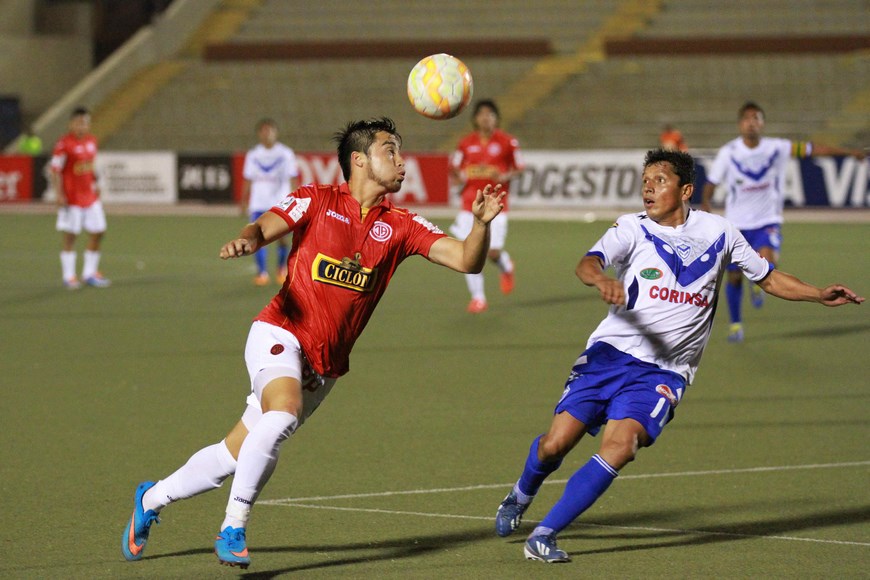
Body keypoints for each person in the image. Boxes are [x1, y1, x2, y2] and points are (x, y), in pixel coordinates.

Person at [120, 117, 506, 569]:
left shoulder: (402, 225)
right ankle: (233, 526)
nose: (402, 162)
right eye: (391, 151)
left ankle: (151, 499)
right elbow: (262, 228)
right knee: (282, 414)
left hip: (324, 366)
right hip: (279, 331)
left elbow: (466, 260)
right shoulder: (316, 200)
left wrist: (481, 225)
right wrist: (246, 241)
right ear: (359, 160)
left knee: (233, 455)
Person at [494, 149, 863, 564]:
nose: (648, 187)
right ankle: (521, 494)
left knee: (623, 445)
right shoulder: (631, 227)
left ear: (686, 190)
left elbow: (769, 276)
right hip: (610, 354)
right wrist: (600, 278)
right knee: (553, 445)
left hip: (665, 371)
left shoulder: (720, 232)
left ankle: (544, 534)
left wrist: (817, 293)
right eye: (645, 180)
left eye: (659, 180)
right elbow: (588, 262)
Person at [700, 101, 865, 342]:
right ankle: (736, 323)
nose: (751, 123)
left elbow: (812, 149)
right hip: (737, 224)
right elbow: (711, 183)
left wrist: (848, 153)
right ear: (740, 124)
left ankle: (758, 282)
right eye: (747, 118)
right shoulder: (729, 152)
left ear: (762, 124)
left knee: (767, 262)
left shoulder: (777, 147)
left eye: (756, 118)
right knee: (733, 276)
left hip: (766, 220)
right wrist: (706, 202)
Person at [449, 99, 524, 313]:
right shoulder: (465, 143)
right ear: (475, 119)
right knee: (469, 252)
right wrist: (459, 177)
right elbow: (455, 168)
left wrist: (505, 175)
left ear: (496, 118)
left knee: (492, 252)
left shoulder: (508, 142)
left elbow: (519, 167)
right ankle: (478, 298)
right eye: (482, 114)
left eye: (490, 114)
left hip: (495, 203)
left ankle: (506, 265)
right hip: (469, 204)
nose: (485, 118)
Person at [50, 107, 110, 289]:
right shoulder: (63, 144)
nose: (81, 126)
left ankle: (89, 273)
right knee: (71, 236)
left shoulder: (92, 141)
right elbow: (55, 171)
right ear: (71, 124)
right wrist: (59, 194)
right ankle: (69, 276)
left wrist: (96, 183)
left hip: (90, 197)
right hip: (72, 198)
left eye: (84, 123)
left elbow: (89, 167)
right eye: (78, 122)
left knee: (99, 231)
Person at [240, 118, 299, 286]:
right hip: (258, 203)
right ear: (259, 134)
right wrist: (243, 200)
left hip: (280, 203)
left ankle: (281, 269)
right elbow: (248, 179)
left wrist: (296, 200)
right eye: (264, 130)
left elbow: (293, 178)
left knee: (281, 238)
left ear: (276, 132)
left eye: (270, 130)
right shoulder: (253, 155)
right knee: (256, 239)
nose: (267, 134)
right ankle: (262, 273)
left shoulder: (285, 154)